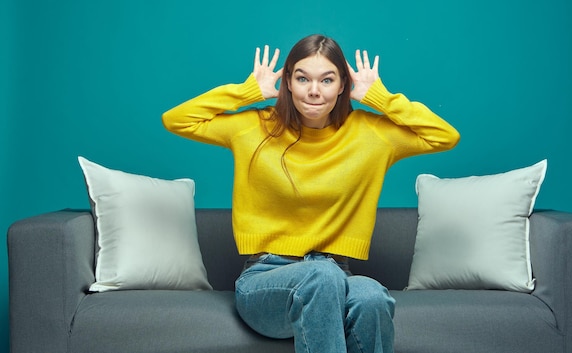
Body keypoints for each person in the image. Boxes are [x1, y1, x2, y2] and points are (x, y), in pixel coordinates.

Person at [162, 34, 460, 353]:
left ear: (343, 85)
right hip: (266, 280)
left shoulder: (370, 134)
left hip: (336, 275)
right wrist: (247, 92)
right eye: (302, 78)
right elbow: (177, 120)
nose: (314, 90)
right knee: (322, 275)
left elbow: (444, 136)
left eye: (327, 80)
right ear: (288, 82)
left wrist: (380, 97)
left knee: (371, 295)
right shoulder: (256, 127)